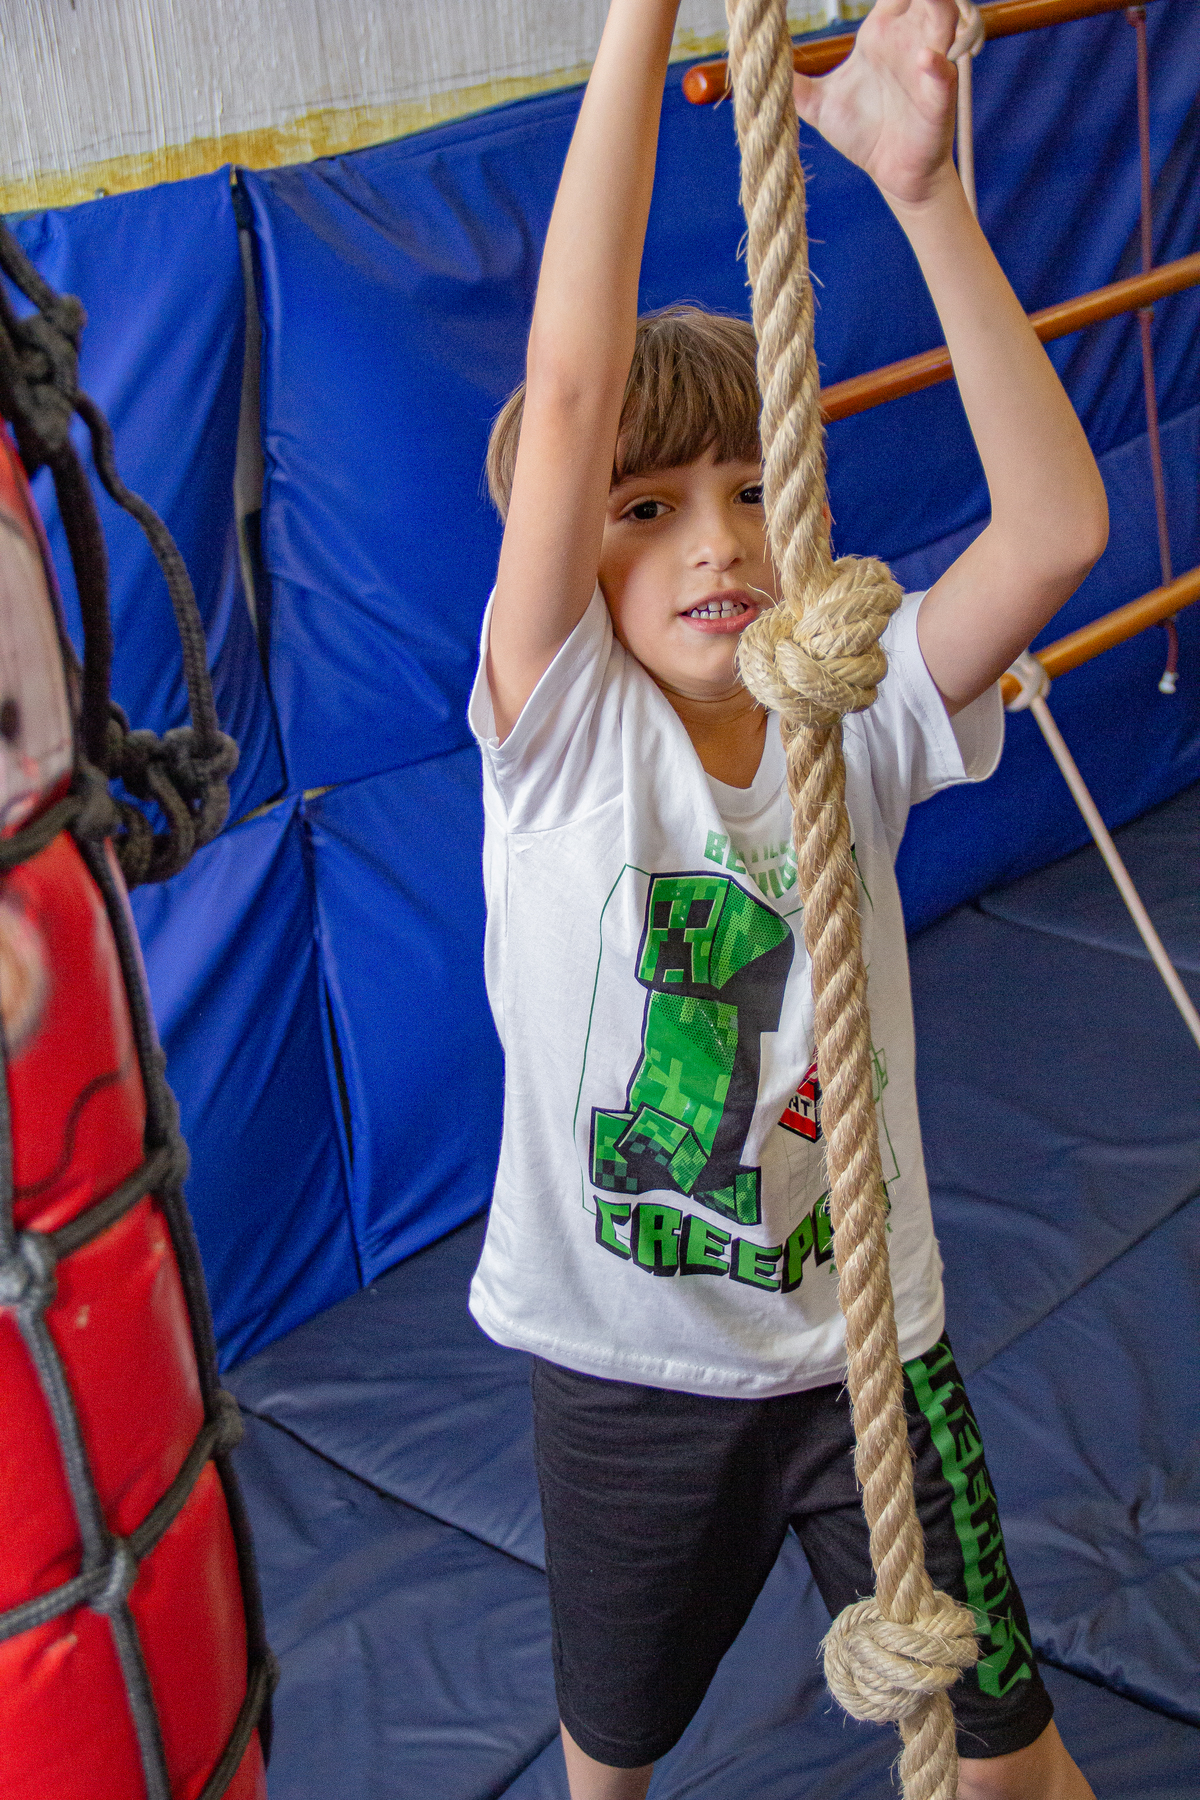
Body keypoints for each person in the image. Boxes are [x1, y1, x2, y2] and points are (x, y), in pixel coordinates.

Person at [467, 1, 1108, 1795]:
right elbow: (570, 389)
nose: (721, 539)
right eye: (647, 509)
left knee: (1013, 1761)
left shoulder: (858, 715)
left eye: (753, 490)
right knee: (609, 1755)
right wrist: (643, 15)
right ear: (576, 551)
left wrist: (925, 196)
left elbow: (1056, 533)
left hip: (864, 1356)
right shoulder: (562, 737)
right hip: (626, 1373)